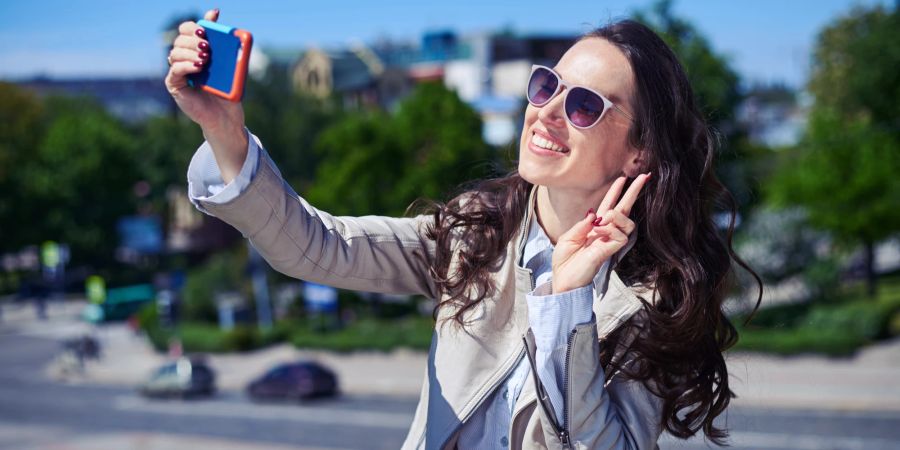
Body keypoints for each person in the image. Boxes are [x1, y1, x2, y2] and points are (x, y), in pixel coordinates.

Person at [166, 9, 760, 450]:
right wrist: (225, 133)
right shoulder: (474, 236)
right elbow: (317, 247)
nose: (547, 111)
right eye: (546, 85)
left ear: (639, 153)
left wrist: (566, 302)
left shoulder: (651, 301)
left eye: (583, 106)